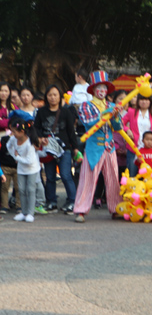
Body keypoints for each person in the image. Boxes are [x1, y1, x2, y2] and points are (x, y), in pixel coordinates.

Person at [73, 71, 124, 223]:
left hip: (110, 148)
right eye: (99, 88)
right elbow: (88, 123)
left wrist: (114, 116)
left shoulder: (112, 105)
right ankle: (81, 210)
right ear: (93, 90)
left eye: (104, 88)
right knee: (87, 179)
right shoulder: (85, 106)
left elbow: (117, 126)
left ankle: (117, 209)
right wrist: (105, 114)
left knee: (114, 179)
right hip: (93, 148)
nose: (102, 91)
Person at [35, 84, 79, 214]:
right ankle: (51, 202)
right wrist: (40, 138)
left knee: (65, 175)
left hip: (64, 148)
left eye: (55, 94)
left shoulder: (66, 112)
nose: (53, 97)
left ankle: (73, 201)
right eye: (50, 95)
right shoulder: (41, 112)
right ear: (46, 97)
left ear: (60, 96)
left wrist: (75, 148)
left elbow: (71, 132)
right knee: (50, 176)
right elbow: (36, 128)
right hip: (48, 149)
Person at [123, 94, 152, 175]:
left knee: (149, 175)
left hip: (149, 150)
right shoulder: (131, 112)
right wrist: (127, 130)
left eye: (147, 100)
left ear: (150, 102)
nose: (144, 102)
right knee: (132, 174)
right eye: (142, 99)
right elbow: (120, 123)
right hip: (134, 148)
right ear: (138, 101)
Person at [7, 119, 40, 223]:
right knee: (21, 189)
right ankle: (24, 212)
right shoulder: (13, 139)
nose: (13, 134)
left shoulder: (29, 143)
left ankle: (30, 213)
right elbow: (8, 146)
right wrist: (15, 156)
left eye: (14, 131)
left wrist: (17, 158)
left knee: (30, 190)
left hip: (32, 169)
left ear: (22, 131)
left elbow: (30, 161)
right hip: (21, 169)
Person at [0, 134, 18, 214]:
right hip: (5, 166)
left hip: (18, 167)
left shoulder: (22, 139)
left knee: (19, 188)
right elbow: (2, 152)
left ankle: (19, 206)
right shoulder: (4, 139)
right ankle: (4, 206)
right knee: (4, 187)